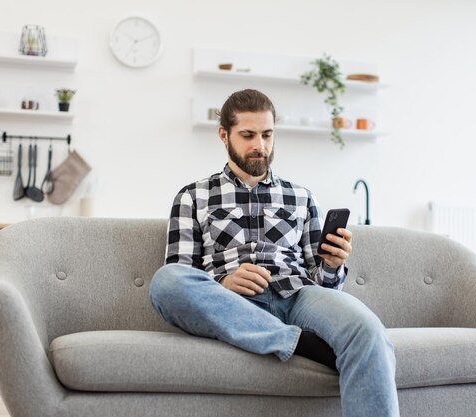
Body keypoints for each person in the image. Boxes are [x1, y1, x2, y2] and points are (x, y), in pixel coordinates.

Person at [149, 89, 399, 417]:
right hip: (233, 304)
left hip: (298, 296)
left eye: (267, 135)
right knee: (164, 282)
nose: (260, 146)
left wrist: (333, 265)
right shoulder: (193, 196)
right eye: (248, 135)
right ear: (223, 134)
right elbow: (181, 272)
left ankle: (287, 336)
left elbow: (322, 283)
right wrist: (222, 283)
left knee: (367, 329)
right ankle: (296, 343)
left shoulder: (302, 197)